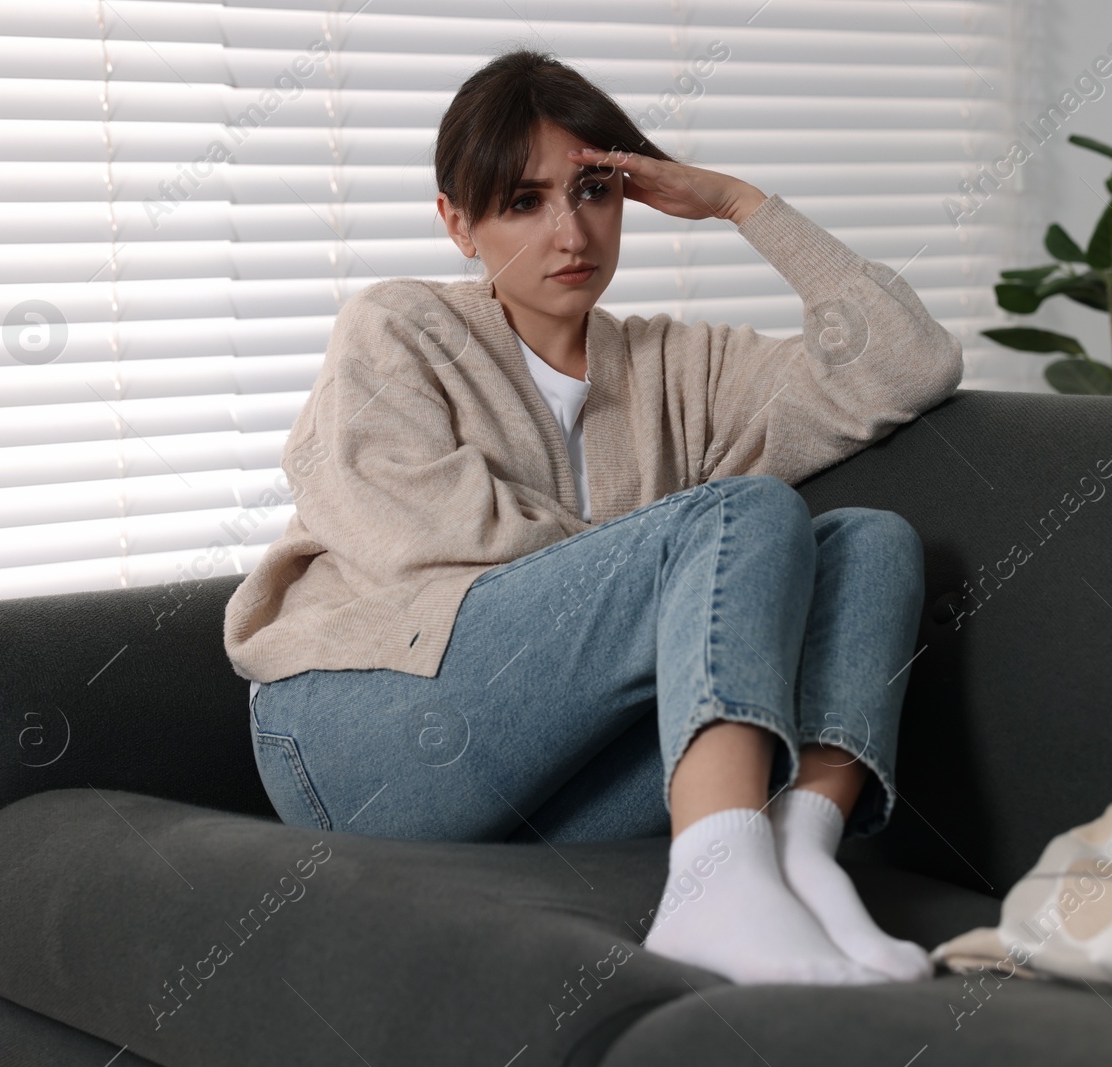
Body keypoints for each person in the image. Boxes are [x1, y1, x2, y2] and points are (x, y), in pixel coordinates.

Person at [224, 48, 964, 988]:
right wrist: (688, 571)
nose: (570, 232)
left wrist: (742, 203)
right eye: (522, 203)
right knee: (740, 515)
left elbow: (910, 364)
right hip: (356, 735)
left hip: (545, 769)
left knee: (871, 541)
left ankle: (796, 855)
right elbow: (428, 554)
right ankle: (716, 880)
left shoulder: (676, 367)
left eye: (595, 191)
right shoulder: (398, 328)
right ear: (458, 223)